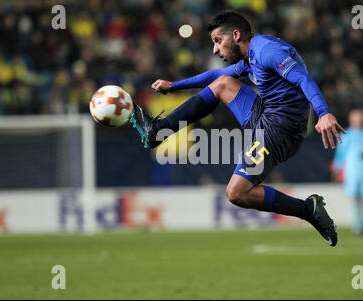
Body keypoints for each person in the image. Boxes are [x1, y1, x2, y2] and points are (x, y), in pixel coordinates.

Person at [131, 10, 346, 246]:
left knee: (236, 193)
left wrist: (324, 113)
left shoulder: (267, 51)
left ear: (235, 35)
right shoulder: (250, 56)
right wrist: (174, 86)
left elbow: (303, 78)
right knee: (223, 83)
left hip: (279, 131)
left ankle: (307, 210)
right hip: (265, 114)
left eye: (217, 41)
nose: (215, 50)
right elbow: (215, 74)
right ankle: (158, 130)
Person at [333, 109, 363, 235]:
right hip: (352, 170)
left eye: (359, 118)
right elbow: (340, 155)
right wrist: (337, 170)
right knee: (354, 196)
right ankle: (356, 224)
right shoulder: (345, 134)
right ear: (351, 120)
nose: (357, 121)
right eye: (355, 118)